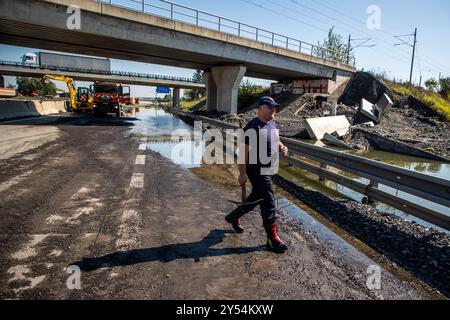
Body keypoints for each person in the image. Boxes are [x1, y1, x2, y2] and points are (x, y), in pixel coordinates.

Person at [225, 96, 289, 253]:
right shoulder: (252, 127)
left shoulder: (272, 123)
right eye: (270, 107)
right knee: (268, 200)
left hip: (269, 168)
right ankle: (272, 239)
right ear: (260, 109)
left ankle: (234, 216)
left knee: (257, 197)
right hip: (256, 169)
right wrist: (242, 174)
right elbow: (243, 154)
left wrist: (282, 147)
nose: (274, 110)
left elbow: (276, 140)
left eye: (275, 107)